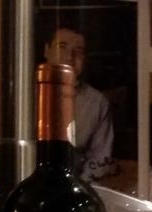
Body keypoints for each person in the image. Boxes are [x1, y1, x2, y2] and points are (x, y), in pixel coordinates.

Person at [43, 25, 115, 182]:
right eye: (62, 47)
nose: (69, 57)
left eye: (78, 51)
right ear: (47, 50)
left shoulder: (97, 103)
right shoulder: (25, 96)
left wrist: (79, 189)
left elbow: (99, 160)